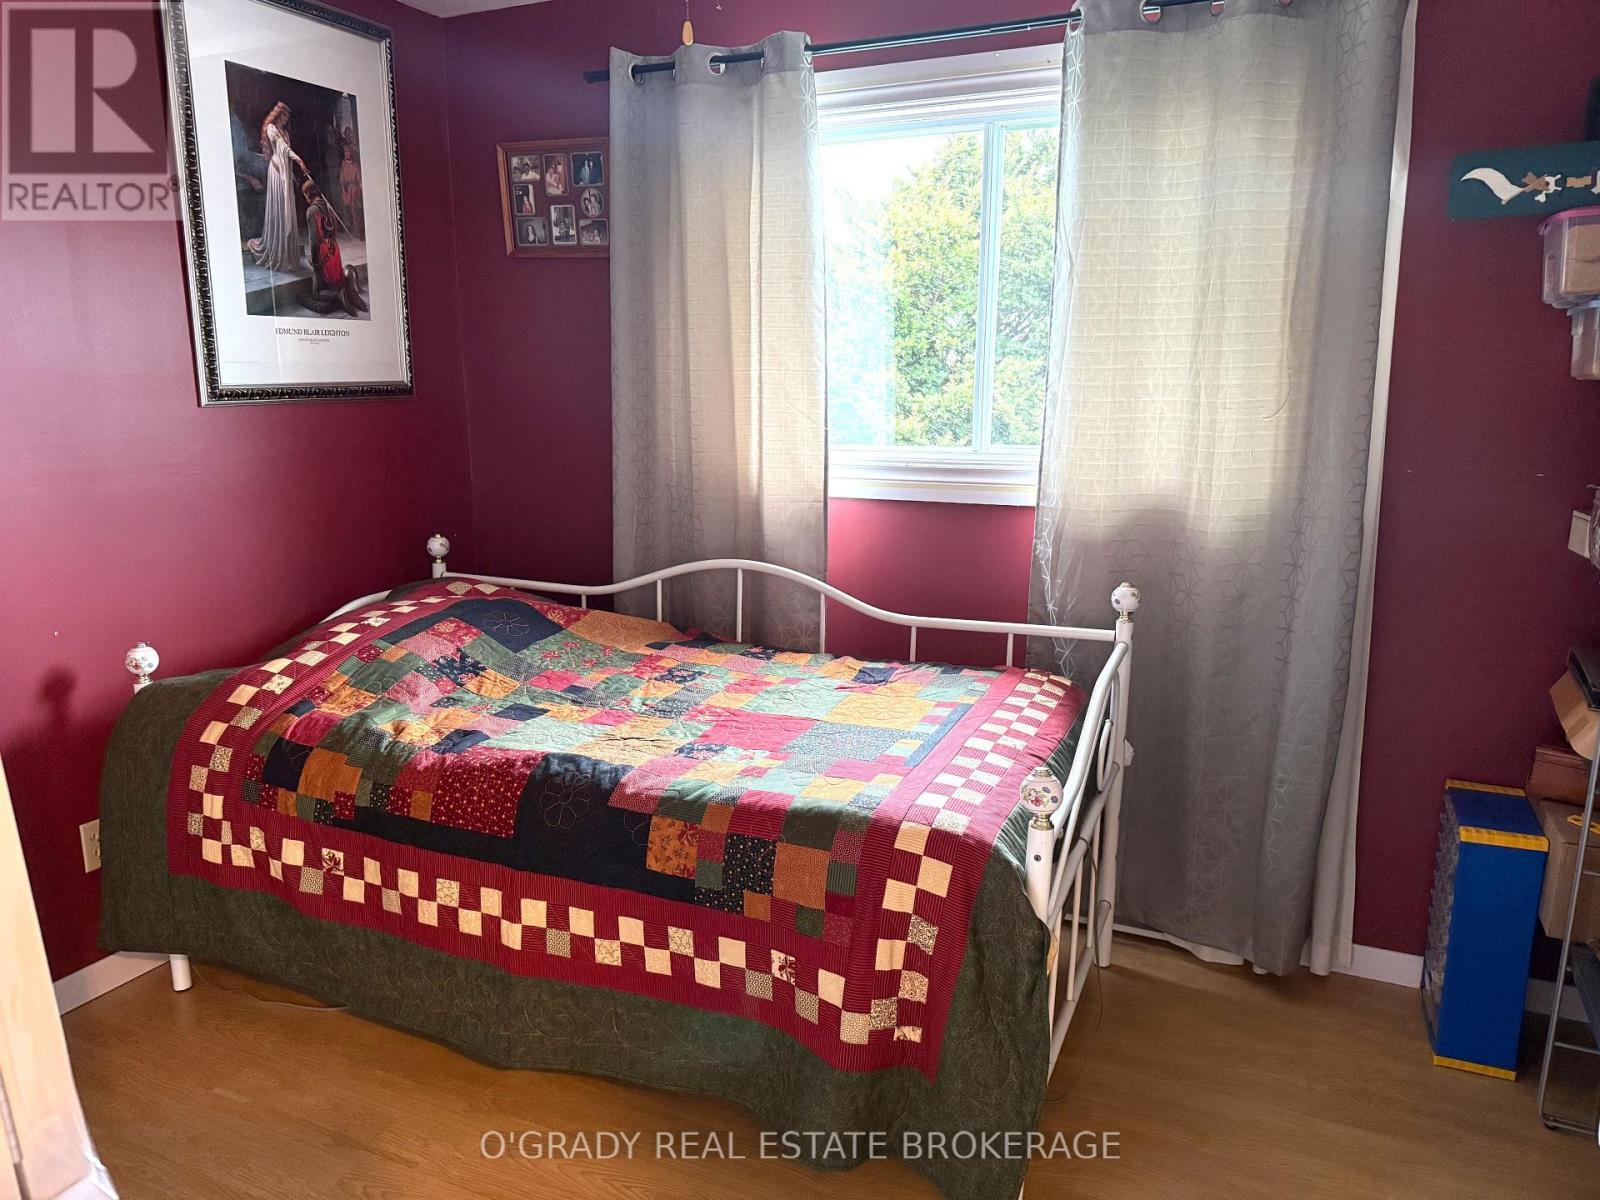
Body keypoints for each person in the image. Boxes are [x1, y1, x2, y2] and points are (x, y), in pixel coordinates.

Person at [247, 102, 307, 272]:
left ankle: (288, 255)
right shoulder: (272, 128)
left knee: (287, 212)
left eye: (288, 116)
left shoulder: (285, 132)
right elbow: (282, 148)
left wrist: (292, 175)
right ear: (279, 114)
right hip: (276, 173)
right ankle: (277, 252)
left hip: (285, 173)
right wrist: (299, 160)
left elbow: (285, 154)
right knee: (280, 212)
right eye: (285, 115)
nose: (287, 119)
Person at [301, 178, 367, 317]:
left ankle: (340, 295)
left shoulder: (311, 211)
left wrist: (315, 261)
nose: (305, 198)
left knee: (317, 294)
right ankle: (348, 292)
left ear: (308, 193)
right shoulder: (330, 207)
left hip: (322, 253)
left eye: (305, 194)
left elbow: (314, 240)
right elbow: (333, 231)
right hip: (334, 251)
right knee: (333, 283)